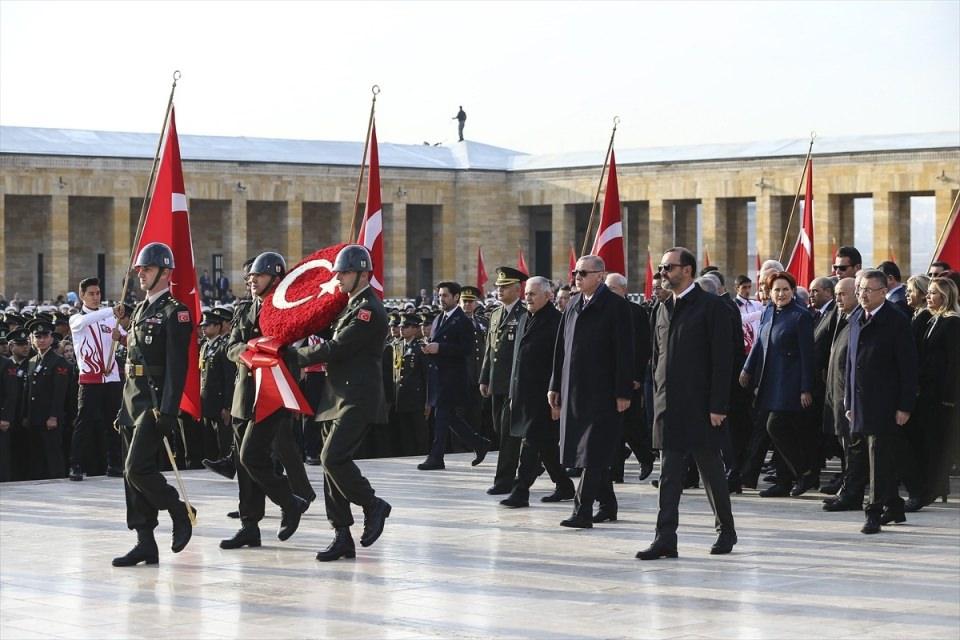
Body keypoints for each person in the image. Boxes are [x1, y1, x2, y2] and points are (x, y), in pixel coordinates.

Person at [286, 245, 392, 561]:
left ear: (363, 273)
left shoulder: (368, 309)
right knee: (328, 465)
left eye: (344, 273)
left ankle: (373, 505)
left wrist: (292, 356)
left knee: (334, 458)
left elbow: (337, 347)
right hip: (338, 394)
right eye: (339, 273)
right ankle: (342, 533)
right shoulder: (349, 306)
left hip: (358, 395)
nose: (339, 278)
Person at [637, 247, 735, 559]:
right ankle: (665, 538)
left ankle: (726, 530)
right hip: (669, 405)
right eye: (662, 268)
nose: (663, 273)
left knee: (710, 471)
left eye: (669, 268)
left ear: (688, 270)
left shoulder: (711, 307)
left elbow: (723, 361)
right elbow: (657, 357)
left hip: (701, 406)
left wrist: (718, 405)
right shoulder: (662, 308)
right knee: (668, 474)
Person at [221, 251, 314, 551]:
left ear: (275, 279)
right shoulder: (245, 309)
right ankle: (250, 525)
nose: (251, 282)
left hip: (271, 395)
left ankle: (290, 500)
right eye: (249, 278)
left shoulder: (286, 310)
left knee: (251, 456)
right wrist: (249, 352)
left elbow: (290, 348)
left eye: (257, 277)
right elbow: (230, 345)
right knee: (244, 463)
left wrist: (265, 352)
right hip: (244, 393)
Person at [111, 242, 195, 567]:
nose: (140, 274)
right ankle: (145, 541)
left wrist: (170, 409)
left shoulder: (176, 312)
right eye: (140, 270)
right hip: (133, 400)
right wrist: (122, 408)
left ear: (165, 272)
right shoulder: (141, 311)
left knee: (137, 469)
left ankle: (179, 510)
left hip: (155, 403)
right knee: (128, 476)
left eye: (146, 269)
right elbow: (133, 361)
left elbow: (178, 367)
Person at [549, 255, 634, 529]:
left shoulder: (616, 307)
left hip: (603, 392)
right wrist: (554, 385)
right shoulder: (573, 304)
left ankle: (582, 509)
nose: (577, 277)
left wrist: (623, 392)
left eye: (583, 273)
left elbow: (625, 353)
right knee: (590, 452)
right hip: (574, 390)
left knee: (593, 451)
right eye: (575, 272)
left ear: (600, 275)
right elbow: (560, 350)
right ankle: (607, 505)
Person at [845, 269, 918, 534]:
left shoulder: (896, 321)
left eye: (868, 290)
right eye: (860, 290)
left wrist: (905, 406)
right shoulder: (855, 319)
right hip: (861, 402)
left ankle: (873, 511)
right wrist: (848, 402)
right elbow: (851, 364)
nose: (863, 295)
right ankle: (894, 505)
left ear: (883, 292)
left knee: (878, 457)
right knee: (874, 455)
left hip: (886, 403)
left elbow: (908, 368)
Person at [500, 276, 575, 508]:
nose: (527, 298)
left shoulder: (557, 322)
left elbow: (561, 362)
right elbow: (517, 360)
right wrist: (513, 393)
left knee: (531, 443)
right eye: (526, 294)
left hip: (545, 396)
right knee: (547, 446)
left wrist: (558, 398)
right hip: (524, 394)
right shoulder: (524, 318)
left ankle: (521, 490)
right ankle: (564, 485)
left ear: (548, 296)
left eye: (532, 294)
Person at [740, 272, 817, 497]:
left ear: (792, 291)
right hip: (770, 381)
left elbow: (807, 355)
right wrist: (747, 368)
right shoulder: (768, 312)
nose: (780, 294)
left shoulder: (800, 316)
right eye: (776, 290)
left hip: (790, 383)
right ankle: (784, 481)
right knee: (773, 433)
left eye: (785, 289)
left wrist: (806, 388)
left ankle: (805, 471)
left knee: (776, 426)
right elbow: (759, 344)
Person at [418, 281, 491, 471]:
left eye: (445, 296)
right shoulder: (438, 319)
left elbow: (466, 349)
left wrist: (440, 348)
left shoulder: (462, 320)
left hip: (452, 378)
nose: (441, 299)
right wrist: (429, 347)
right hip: (438, 376)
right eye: (439, 296)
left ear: (456, 297)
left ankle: (436, 457)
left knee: (441, 417)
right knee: (449, 418)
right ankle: (479, 443)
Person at [67, 277, 124, 480]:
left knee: (113, 422)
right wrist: (111, 310)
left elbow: (126, 338)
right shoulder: (77, 318)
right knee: (84, 422)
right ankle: (76, 464)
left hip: (111, 377)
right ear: (82, 295)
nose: (95, 297)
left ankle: (115, 463)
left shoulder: (110, 319)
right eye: (91, 293)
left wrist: (121, 336)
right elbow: (85, 321)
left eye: (98, 293)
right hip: (90, 378)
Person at [911, 277, 960, 509]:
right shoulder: (934, 320)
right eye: (928, 293)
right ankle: (931, 487)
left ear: (945, 297)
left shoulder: (952, 323)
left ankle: (929, 490)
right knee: (926, 442)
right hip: (927, 392)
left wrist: (949, 398)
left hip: (941, 396)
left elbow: (953, 364)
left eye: (933, 293)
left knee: (935, 445)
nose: (928, 297)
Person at [479, 267, 528, 495]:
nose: (499, 290)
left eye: (505, 286)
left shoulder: (524, 314)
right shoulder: (496, 314)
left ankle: (504, 480)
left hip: (514, 384)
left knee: (508, 434)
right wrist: (484, 377)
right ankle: (531, 467)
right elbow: (490, 349)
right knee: (500, 429)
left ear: (518, 289)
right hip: (497, 382)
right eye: (498, 286)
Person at [604, 272, 654, 482]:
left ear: (623, 290)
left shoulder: (636, 312)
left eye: (612, 288)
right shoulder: (603, 311)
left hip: (629, 380)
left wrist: (636, 376)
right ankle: (616, 472)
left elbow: (642, 347)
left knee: (631, 425)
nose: (608, 293)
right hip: (608, 379)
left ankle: (645, 456)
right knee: (613, 428)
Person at [822, 277, 866, 512]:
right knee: (848, 449)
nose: (837, 298)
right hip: (837, 395)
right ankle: (848, 491)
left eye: (843, 294)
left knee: (854, 451)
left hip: (849, 398)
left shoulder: (859, 320)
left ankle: (852, 494)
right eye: (836, 293)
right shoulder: (844, 319)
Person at [23, 319, 69, 479]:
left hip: (50, 418)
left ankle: (58, 483)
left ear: (51, 338)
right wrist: (26, 415)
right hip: (34, 417)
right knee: (36, 456)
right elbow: (28, 392)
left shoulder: (58, 362)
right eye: (38, 337)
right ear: (32, 339)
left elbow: (59, 393)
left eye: (45, 336)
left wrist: (53, 416)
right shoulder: (31, 362)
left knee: (53, 454)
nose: (41, 340)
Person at [393, 313, 430, 457]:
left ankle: (422, 456)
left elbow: (427, 376)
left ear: (415, 329)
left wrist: (428, 401)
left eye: (406, 326)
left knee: (419, 433)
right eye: (401, 326)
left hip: (417, 398)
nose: (402, 329)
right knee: (405, 434)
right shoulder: (397, 346)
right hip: (401, 397)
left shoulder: (420, 348)